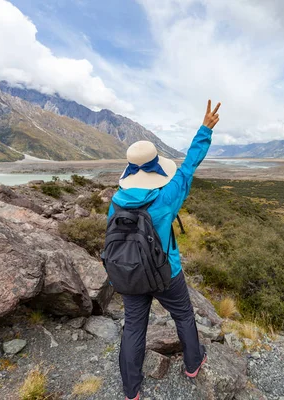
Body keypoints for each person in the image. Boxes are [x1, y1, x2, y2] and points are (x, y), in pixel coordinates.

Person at [108, 100, 221, 400]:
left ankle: (131, 390)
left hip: (129, 272)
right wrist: (204, 130)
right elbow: (188, 167)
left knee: (133, 327)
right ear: (156, 167)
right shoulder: (167, 196)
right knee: (183, 314)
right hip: (164, 272)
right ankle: (193, 364)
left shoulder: (116, 199)